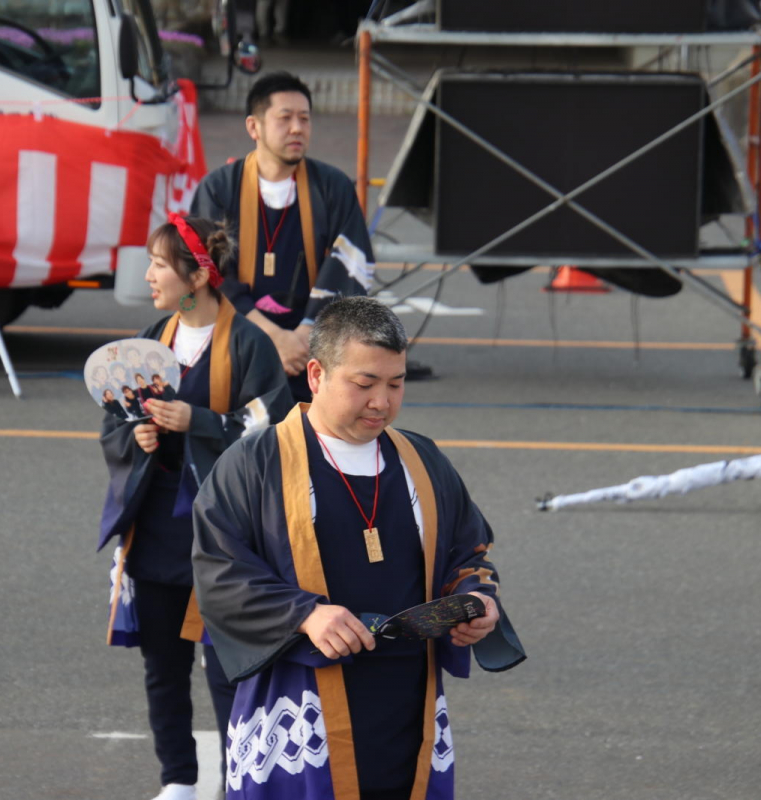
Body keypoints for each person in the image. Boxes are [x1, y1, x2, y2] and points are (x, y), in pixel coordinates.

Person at [192, 297, 525, 800]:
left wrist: (476, 599)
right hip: (299, 697)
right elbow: (218, 570)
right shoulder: (255, 462)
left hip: (407, 695)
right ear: (316, 374)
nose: (382, 402)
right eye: (364, 384)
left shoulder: (422, 459)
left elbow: (468, 550)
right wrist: (304, 614)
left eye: (396, 383)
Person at [97, 213, 294, 800]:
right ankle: (178, 780)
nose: (150, 274)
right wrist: (137, 437)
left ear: (198, 274)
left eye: (160, 263)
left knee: (231, 667)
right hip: (156, 527)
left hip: (222, 534)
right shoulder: (150, 338)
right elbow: (112, 421)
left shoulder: (250, 344)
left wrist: (200, 422)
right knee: (163, 665)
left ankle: (240, 782)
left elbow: (277, 427)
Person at [191, 71, 375, 404]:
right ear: (254, 127)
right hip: (239, 342)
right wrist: (274, 337)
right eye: (285, 118)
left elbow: (350, 264)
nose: (297, 128)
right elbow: (208, 272)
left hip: (314, 350)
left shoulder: (333, 187)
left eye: (304, 119)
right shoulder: (219, 188)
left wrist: (305, 336)